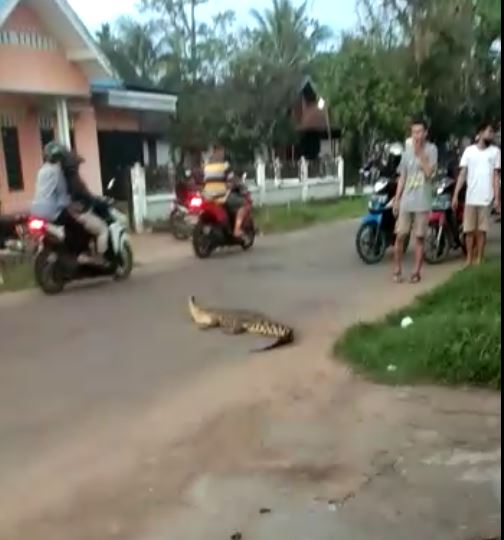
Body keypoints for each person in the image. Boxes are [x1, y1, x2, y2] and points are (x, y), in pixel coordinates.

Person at [392, 116, 438, 283]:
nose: (416, 136)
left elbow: (430, 175)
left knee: (419, 238)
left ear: (425, 133)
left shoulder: (432, 150)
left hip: (422, 202)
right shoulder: (406, 154)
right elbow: (402, 178)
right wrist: (397, 199)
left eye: (419, 132)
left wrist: (421, 156)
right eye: (413, 132)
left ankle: (416, 272)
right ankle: (397, 269)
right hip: (406, 202)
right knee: (400, 236)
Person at [452, 121, 501, 266]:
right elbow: (462, 174)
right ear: (479, 133)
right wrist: (456, 194)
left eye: (492, 132)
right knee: (468, 230)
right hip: (470, 197)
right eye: (489, 131)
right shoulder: (469, 151)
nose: (491, 135)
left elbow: (495, 176)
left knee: (481, 230)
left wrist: (497, 198)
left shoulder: (495, 152)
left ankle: (479, 258)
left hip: (486, 197)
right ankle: (468, 259)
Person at [60, 149, 109, 260]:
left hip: (69, 214)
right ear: (74, 167)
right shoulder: (75, 182)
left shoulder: (63, 181)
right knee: (103, 229)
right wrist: (100, 200)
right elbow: (88, 196)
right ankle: (100, 257)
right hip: (80, 213)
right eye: (77, 165)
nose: (78, 167)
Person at [203, 144, 247, 239]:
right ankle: (237, 230)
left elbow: (205, 180)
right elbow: (232, 179)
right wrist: (239, 184)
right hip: (221, 196)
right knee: (243, 204)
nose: (222, 154)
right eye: (221, 152)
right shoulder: (224, 166)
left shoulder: (206, 165)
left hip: (207, 196)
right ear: (217, 152)